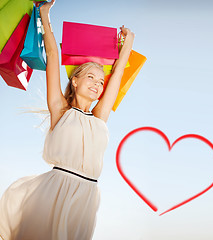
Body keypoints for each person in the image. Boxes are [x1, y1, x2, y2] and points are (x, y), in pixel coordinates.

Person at [0, 0, 135, 239]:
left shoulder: (100, 117)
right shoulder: (60, 109)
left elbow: (119, 72)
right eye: (91, 77)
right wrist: (44, 14)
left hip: (88, 196)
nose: (97, 83)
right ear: (74, 81)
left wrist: (127, 44)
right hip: (56, 190)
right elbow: (53, 54)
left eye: (100, 81)